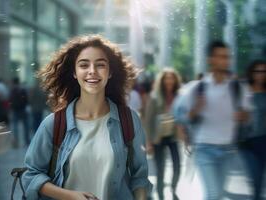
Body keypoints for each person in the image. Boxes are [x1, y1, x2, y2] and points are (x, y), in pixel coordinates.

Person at [22, 35, 152, 200]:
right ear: (74, 73)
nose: (92, 71)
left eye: (100, 65)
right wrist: (70, 196)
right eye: (84, 65)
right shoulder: (54, 124)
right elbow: (31, 175)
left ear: (110, 72)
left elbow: (139, 177)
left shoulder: (128, 120)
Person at [173, 41, 251, 200]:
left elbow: (248, 116)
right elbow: (181, 117)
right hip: (204, 148)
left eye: (227, 57)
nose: (226, 60)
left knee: (219, 194)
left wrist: (243, 116)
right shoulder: (198, 88)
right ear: (211, 59)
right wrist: (195, 110)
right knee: (213, 194)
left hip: (228, 150)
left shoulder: (237, 88)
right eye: (221, 56)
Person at [145, 68, 181, 200]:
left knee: (177, 165)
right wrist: (148, 142)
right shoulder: (154, 97)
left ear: (175, 80)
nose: (169, 80)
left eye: (171, 77)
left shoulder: (179, 96)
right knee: (160, 169)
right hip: (158, 138)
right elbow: (148, 121)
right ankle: (160, 195)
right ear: (162, 80)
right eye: (166, 78)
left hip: (173, 136)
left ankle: (173, 188)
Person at [242, 60, 266, 200]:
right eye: (258, 71)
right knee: (255, 178)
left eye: (264, 71)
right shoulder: (243, 90)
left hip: (263, 140)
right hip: (247, 143)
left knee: (259, 182)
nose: (261, 75)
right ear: (252, 73)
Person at [9, 77, 30, 147]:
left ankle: (16, 142)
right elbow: (26, 99)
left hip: (15, 110)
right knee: (26, 126)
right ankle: (27, 141)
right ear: (18, 82)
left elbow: (10, 100)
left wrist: (11, 108)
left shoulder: (12, 90)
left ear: (13, 82)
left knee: (15, 127)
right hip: (23, 109)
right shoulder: (22, 89)